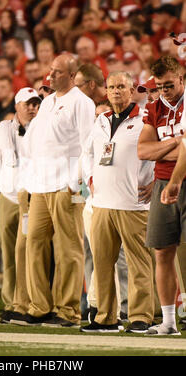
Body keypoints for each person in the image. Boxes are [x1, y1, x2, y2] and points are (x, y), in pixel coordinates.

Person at [13, 53, 95, 327]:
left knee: (69, 249)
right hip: (40, 185)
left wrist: (74, 182)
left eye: (58, 72)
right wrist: (27, 180)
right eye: (50, 70)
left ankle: (68, 310)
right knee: (33, 243)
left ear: (72, 76)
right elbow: (32, 144)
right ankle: (39, 307)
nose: (51, 76)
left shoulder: (82, 103)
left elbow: (88, 145)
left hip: (66, 185)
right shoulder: (47, 104)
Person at [80, 71, 155, 334]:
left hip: (134, 203)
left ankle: (140, 316)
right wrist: (89, 177)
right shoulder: (101, 120)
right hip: (101, 202)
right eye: (111, 87)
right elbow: (86, 153)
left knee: (138, 263)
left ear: (132, 89)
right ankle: (105, 317)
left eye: (121, 86)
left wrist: (155, 181)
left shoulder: (146, 119)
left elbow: (162, 151)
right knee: (101, 264)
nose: (115, 91)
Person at [0, 87, 42, 323]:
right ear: (16, 105)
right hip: (7, 197)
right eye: (27, 103)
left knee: (31, 254)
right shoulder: (3, 130)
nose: (32, 108)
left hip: (34, 198)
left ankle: (29, 302)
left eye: (35, 104)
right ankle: (11, 303)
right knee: (9, 255)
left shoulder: (42, 129)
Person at [137, 55, 185, 336]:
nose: (164, 91)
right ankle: (168, 322)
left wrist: (175, 178)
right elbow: (143, 151)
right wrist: (176, 142)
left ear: (181, 78)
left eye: (169, 85)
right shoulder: (155, 107)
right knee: (162, 251)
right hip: (162, 181)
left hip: (177, 181)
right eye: (160, 86)